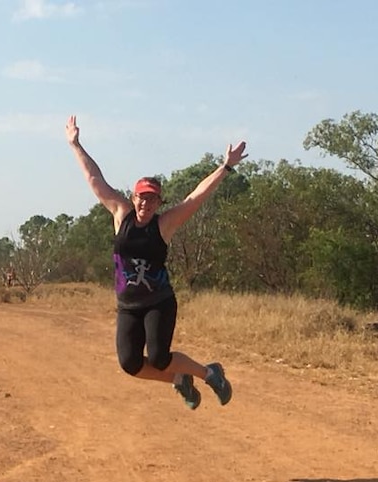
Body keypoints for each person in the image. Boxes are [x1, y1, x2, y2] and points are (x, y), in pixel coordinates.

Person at [65, 115, 246, 410]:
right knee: (130, 363)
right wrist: (75, 145)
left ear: (159, 203)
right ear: (133, 197)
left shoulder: (164, 224)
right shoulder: (120, 214)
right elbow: (94, 179)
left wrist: (225, 168)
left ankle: (210, 373)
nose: (145, 204)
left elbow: (196, 197)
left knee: (160, 356)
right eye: (141, 198)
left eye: (152, 200)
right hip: (128, 306)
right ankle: (178, 380)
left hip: (158, 302)